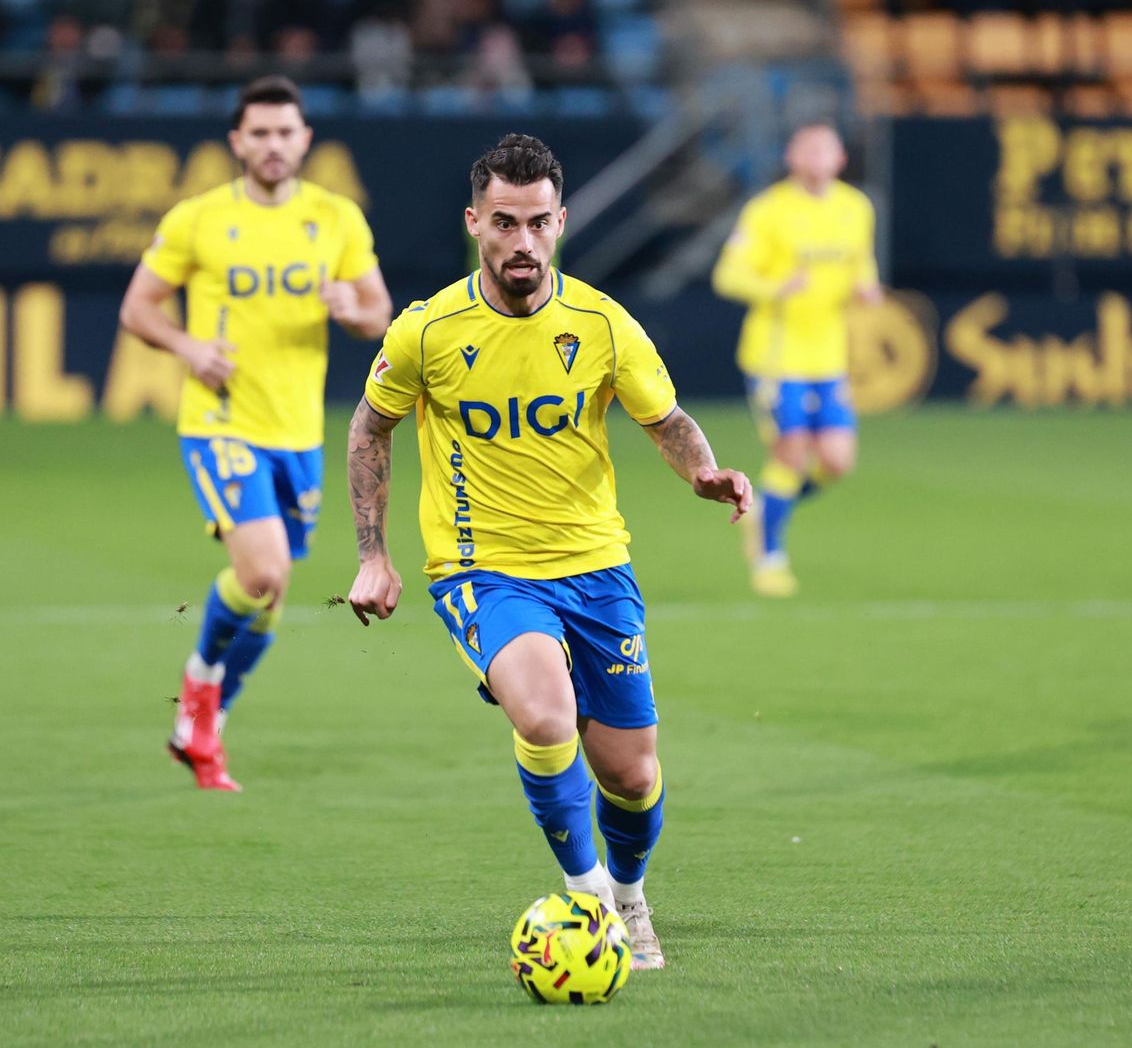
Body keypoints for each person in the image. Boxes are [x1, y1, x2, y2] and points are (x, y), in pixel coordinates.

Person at [344, 134, 752, 970]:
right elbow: (370, 425)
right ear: (475, 224)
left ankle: (631, 894)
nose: (521, 242)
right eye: (504, 223)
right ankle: (592, 898)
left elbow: (666, 421)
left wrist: (702, 470)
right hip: (481, 569)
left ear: (560, 222)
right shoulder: (427, 330)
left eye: (536, 223)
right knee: (544, 714)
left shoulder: (603, 324)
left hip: (597, 567)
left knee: (633, 779)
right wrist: (373, 555)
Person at [120, 76, 392, 791]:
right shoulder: (199, 219)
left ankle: (204, 721)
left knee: (267, 598)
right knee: (264, 570)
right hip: (221, 422)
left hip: (298, 433)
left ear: (305, 139)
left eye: (286, 132)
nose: (274, 145)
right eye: (260, 133)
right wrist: (188, 350)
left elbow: (380, 314)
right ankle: (201, 686)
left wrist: (350, 306)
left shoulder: (336, 218)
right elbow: (138, 308)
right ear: (237, 142)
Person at [711, 122, 881, 597]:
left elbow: (859, 263)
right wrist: (774, 287)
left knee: (837, 461)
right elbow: (727, 275)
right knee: (790, 451)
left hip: (828, 357)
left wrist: (865, 287)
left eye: (827, 148)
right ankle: (770, 557)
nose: (817, 157)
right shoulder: (768, 210)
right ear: (792, 156)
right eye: (809, 148)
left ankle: (766, 506)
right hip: (775, 357)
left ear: (840, 158)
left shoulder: (856, 207)